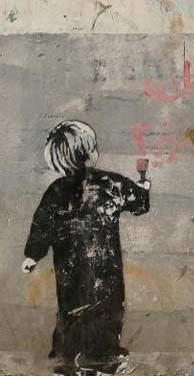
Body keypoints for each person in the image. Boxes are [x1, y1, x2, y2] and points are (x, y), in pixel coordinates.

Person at [23, 120, 151, 376]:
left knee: (69, 313)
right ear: (91, 151)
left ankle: (65, 360)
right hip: (105, 269)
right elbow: (139, 205)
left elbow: (42, 226)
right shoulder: (111, 184)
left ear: (58, 158)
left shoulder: (56, 191)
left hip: (70, 271)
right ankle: (104, 359)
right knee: (108, 313)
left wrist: (32, 255)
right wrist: (144, 188)